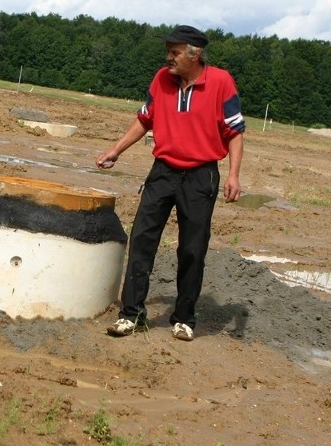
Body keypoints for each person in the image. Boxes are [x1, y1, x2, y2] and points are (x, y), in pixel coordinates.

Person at [96, 25, 245, 341]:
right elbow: (144, 118)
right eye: (168, 51)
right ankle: (131, 315)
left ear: (195, 53)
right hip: (162, 172)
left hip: (201, 177)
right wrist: (115, 150)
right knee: (142, 240)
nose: (168, 58)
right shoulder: (162, 79)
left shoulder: (220, 81)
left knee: (192, 249)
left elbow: (235, 131)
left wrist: (233, 174)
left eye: (175, 52)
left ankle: (184, 318)